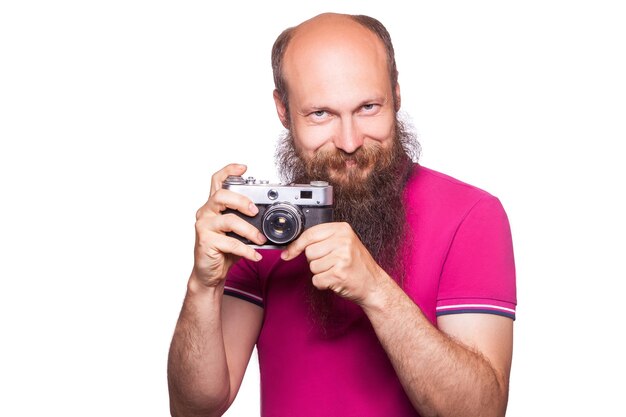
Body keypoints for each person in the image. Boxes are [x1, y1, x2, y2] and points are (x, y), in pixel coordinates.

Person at [167, 12, 516, 417]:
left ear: (397, 95)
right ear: (283, 110)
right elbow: (195, 409)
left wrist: (375, 290)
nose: (349, 142)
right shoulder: (261, 223)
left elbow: (480, 412)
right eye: (321, 114)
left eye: (368, 107)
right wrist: (202, 286)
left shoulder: (471, 216)